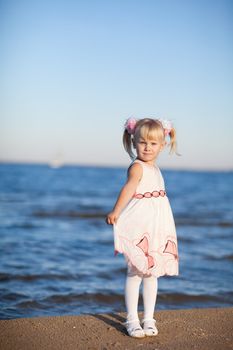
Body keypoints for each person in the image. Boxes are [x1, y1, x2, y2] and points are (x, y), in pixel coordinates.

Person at [106, 117, 179, 338]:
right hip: (140, 225)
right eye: (142, 142)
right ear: (133, 141)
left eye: (153, 143)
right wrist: (116, 211)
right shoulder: (137, 167)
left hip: (156, 225)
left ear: (162, 145)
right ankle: (132, 319)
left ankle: (148, 317)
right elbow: (128, 189)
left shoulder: (155, 167)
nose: (147, 147)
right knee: (136, 271)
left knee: (151, 273)